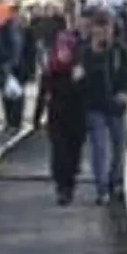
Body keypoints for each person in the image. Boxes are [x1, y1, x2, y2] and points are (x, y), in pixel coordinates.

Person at [81, 10, 127, 205]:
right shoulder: (85, 50)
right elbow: (80, 76)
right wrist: (94, 53)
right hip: (94, 106)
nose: (103, 32)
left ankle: (115, 181)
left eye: (107, 27)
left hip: (116, 106)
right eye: (99, 27)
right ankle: (101, 187)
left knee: (119, 146)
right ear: (93, 29)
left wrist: (125, 91)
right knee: (99, 148)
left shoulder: (121, 50)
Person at [35, 28, 87, 205]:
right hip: (63, 116)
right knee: (63, 151)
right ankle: (64, 187)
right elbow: (43, 93)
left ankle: (65, 185)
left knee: (67, 152)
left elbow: (43, 93)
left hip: (69, 115)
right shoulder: (56, 69)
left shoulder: (70, 69)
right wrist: (37, 117)